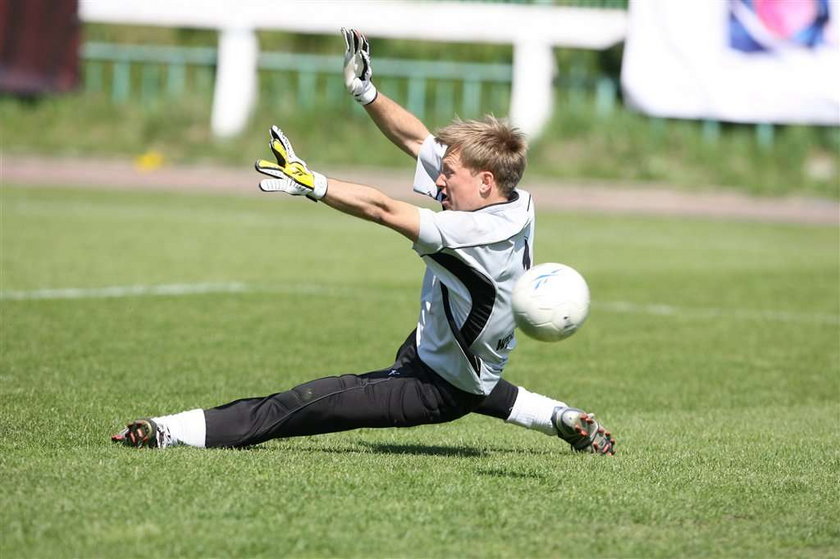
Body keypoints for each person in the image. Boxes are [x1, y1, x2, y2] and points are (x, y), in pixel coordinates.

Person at [111, 29, 615, 455]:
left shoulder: (467, 234)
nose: (440, 182)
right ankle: (562, 418)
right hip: (449, 357)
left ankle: (166, 431)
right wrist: (365, 91)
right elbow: (420, 142)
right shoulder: (516, 200)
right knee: (478, 384)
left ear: (485, 181)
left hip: (433, 386)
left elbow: (381, 208)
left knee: (310, 402)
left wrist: (315, 184)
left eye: (452, 176)